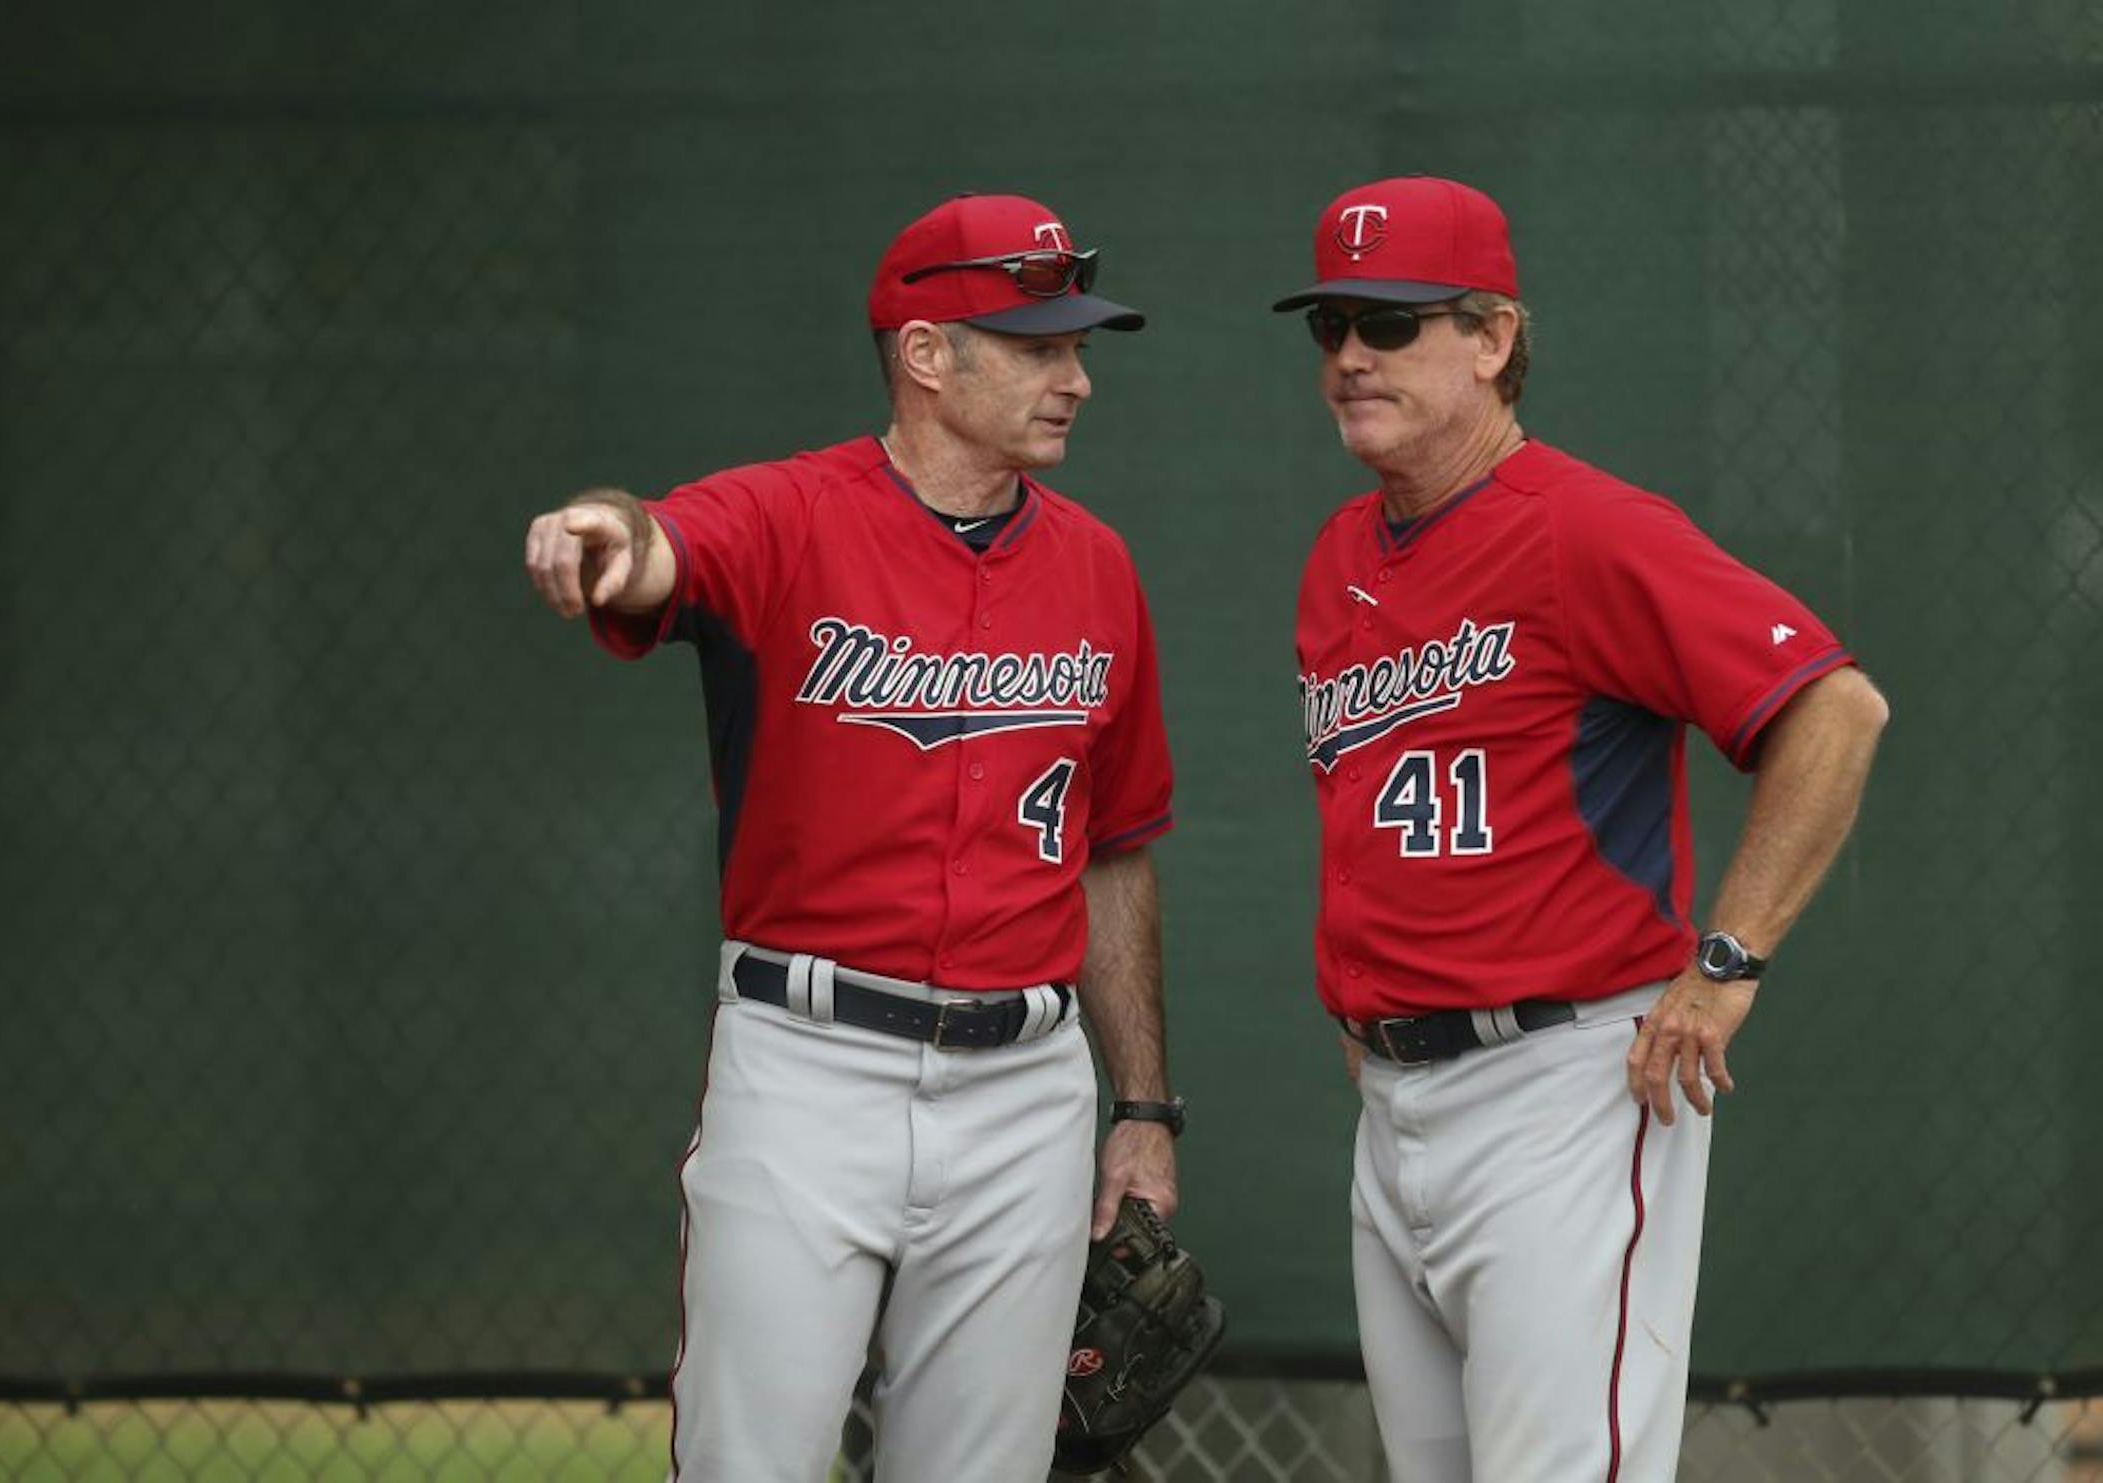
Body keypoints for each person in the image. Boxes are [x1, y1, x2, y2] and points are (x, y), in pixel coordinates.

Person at [522, 193, 1183, 1483]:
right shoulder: (783, 517)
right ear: (928, 355)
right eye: (1039, 346)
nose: (1078, 379)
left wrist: (1144, 1106)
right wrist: (605, 531)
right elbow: (660, 547)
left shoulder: (1101, 568)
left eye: (1077, 346)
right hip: (807, 1072)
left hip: (1027, 1094)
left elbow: (1112, 851)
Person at [1272, 176, 1889, 1482]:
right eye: (1332, 324)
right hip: (1397, 1103)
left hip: (1563, 1089)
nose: (1350, 357)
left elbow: (1835, 711)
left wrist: (1727, 966)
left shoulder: (1585, 530)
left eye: (1392, 324)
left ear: (1493, 339)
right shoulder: (1340, 553)